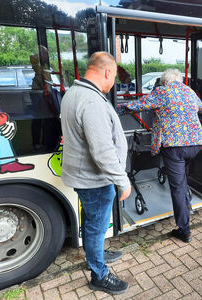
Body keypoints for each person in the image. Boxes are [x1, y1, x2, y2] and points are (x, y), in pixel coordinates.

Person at [61, 52, 131, 295]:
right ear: (108, 72)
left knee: (95, 224)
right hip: (93, 179)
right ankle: (99, 275)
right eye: (114, 77)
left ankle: (97, 252)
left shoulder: (74, 92)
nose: (113, 83)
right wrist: (123, 181)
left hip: (84, 176)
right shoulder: (91, 101)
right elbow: (102, 151)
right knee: (95, 227)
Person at [117, 68, 202, 243]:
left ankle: (184, 229)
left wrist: (115, 108)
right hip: (196, 145)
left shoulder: (162, 91)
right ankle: (186, 201)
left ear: (164, 82)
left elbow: (135, 105)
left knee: (177, 187)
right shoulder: (188, 91)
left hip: (174, 147)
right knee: (181, 178)